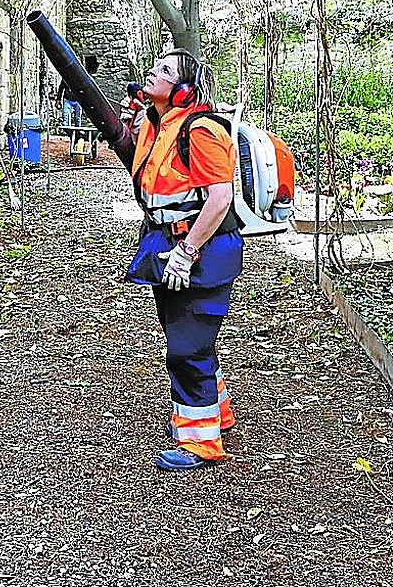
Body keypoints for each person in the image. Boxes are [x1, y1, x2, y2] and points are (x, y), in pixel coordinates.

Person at [120, 50, 243, 471]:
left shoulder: (202, 130)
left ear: (185, 88)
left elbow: (220, 198)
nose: (154, 72)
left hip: (200, 250)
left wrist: (186, 253)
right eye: (156, 65)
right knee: (188, 336)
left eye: (167, 71)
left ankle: (200, 443)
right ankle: (216, 411)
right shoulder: (160, 126)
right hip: (165, 242)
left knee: (186, 348)